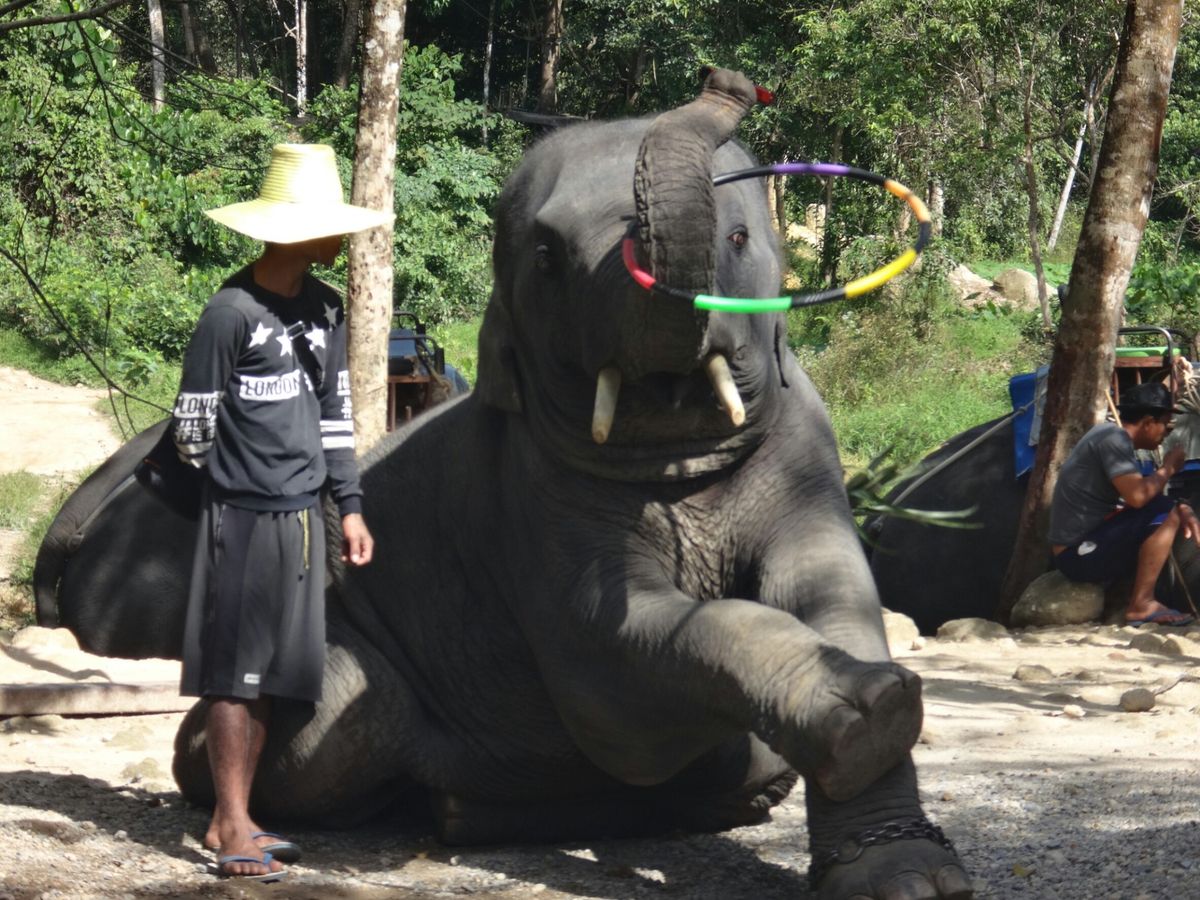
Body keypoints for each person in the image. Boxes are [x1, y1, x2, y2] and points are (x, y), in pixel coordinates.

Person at [169, 143, 391, 881]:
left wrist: (349, 506)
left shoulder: (325, 310)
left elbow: (335, 417)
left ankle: (230, 817)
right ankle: (234, 826)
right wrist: (240, 486)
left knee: (271, 674)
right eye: (330, 225)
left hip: (303, 520)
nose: (340, 237)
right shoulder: (229, 313)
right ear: (296, 232)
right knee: (233, 673)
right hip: (241, 518)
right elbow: (192, 430)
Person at [1050, 381, 1200, 628]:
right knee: (1165, 511)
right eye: (1165, 425)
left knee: (1165, 506)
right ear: (1148, 422)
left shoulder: (1107, 436)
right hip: (1076, 555)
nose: (1166, 433)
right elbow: (1138, 497)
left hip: (1082, 545)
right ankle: (1142, 604)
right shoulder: (1113, 439)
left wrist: (1180, 506)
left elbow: (1137, 502)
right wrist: (1168, 468)